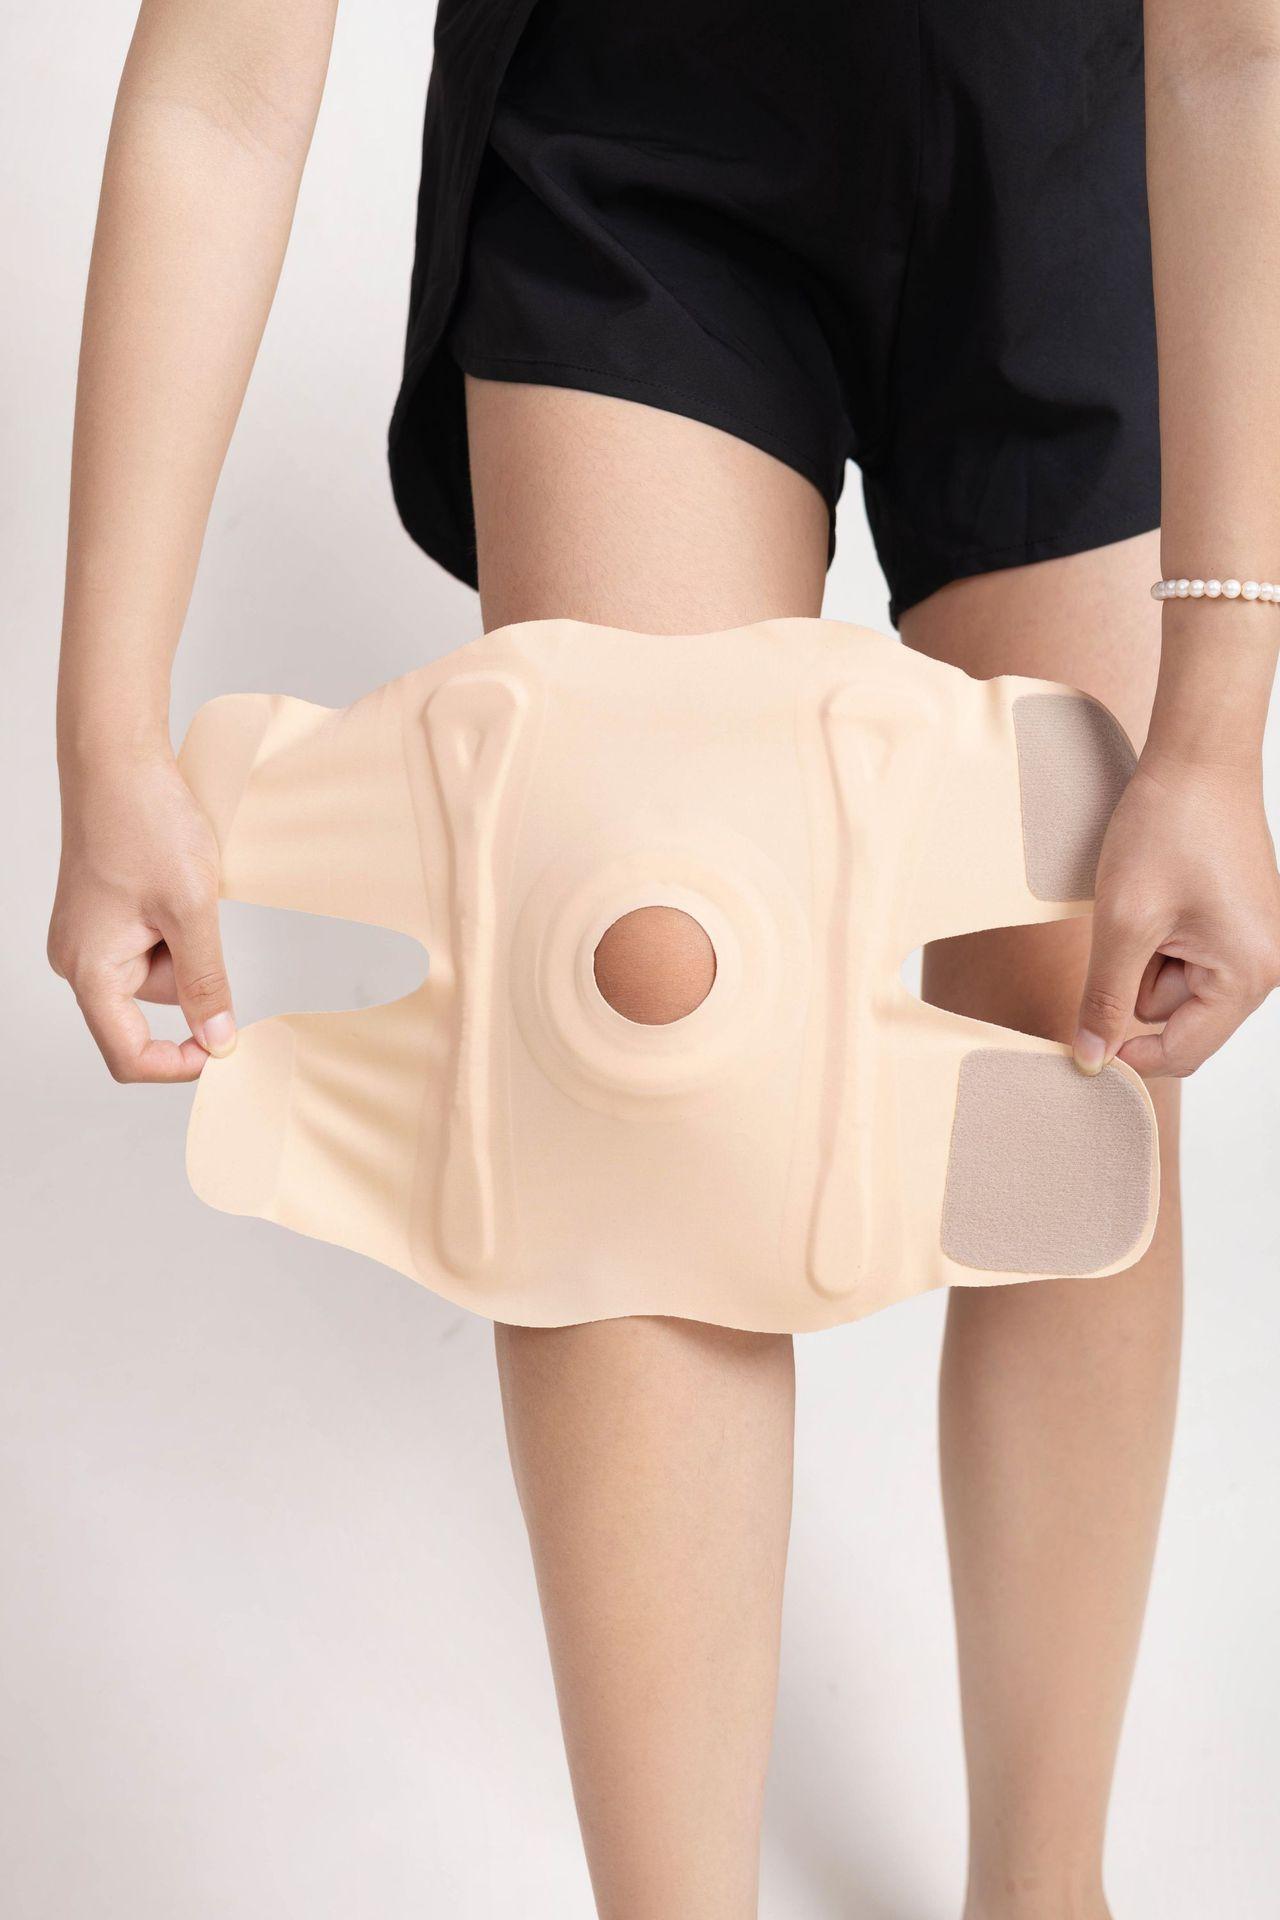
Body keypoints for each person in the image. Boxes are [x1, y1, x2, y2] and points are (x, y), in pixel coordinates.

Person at [47, 3, 1280, 1915]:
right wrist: (106, 725)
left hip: (1075, 119)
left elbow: (1236, 55)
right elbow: (226, 81)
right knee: (624, 1012)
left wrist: (1216, 716)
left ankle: (1047, 1892)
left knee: (1074, 1045)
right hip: (636, 113)